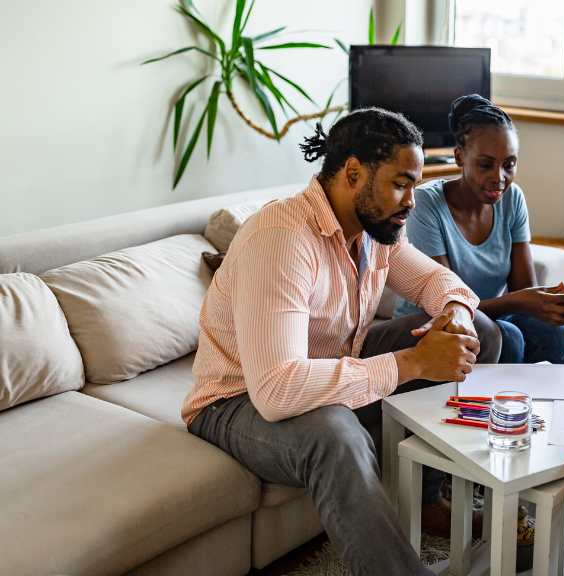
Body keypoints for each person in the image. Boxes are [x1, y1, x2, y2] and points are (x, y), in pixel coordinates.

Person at [181, 108, 501, 575]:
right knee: (336, 433)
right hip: (237, 399)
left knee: (481, 334)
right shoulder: (284, 240)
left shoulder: (377, 229)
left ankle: (432, 497)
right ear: (353, 173)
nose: (412, 200)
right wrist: (411, 362)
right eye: (401, 182)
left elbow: (439, 283)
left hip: (330, 365)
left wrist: (453, 315)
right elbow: (276, 390)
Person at [396, 93, 564, 364]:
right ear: (459, 157)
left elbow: (523, 290)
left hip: (489, 315)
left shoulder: (512, 198)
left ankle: (521, 402)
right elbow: (444, 302)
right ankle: (492, 405)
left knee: (561, 334)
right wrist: (523, 300)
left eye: (509, 164)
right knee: (508, 336)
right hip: (432, 320)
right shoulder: (426, 204)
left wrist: (552, 300)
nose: (499, 177)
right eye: (485, 165)